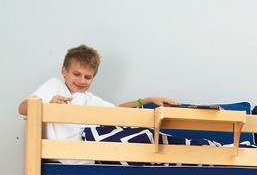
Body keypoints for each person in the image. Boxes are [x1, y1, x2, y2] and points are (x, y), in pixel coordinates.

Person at [18, 44, 178, 137]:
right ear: (64, 71)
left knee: (139, 132)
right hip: (61, 153)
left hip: (86, 155)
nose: (81, 81)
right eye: (76, 74)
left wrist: (148, 100)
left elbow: (116, 110)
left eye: (88, 77)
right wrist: (47, 105)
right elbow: (23, 108)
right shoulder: (55, 86)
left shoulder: (88, 98)